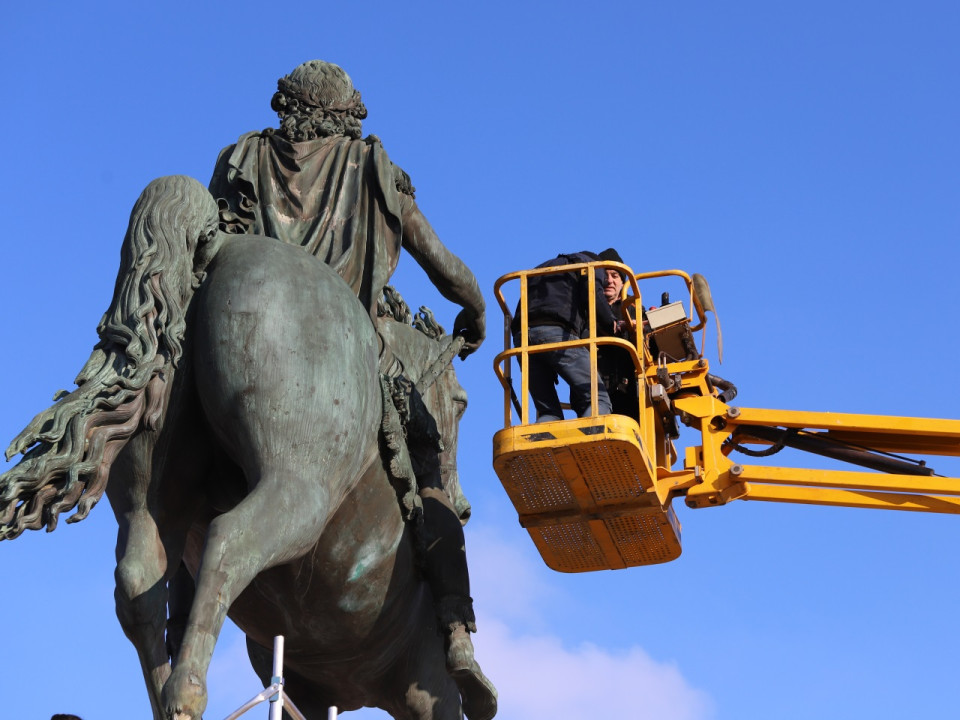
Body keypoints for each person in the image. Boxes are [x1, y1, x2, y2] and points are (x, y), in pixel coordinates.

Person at [208, 60, 493, 718]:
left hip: (243, 339)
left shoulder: (243, 157)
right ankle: (456, 630)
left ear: (288, 106)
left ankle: (174, 621)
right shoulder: (372, 166)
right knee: (432, 477)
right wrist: (476, 310)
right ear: (347, 114)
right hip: (351, 348)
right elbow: (443, 266)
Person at [511, 250, 621, 422]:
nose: (607, 280)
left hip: (522, 340)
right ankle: (590, 437)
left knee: (548, 412)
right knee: (598, 400)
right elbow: (592, 294)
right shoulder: (591, 265)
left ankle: (544, 434)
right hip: (557, 332)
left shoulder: (543, 267)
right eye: (606, 275)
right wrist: (611, 323)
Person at [597, 248, 641, 419]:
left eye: (615, 276)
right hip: (591, 390)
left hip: (626, 393)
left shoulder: (634, 309)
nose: (609, 280)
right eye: (604, 275)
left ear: (623, 283)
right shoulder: (584, 309)